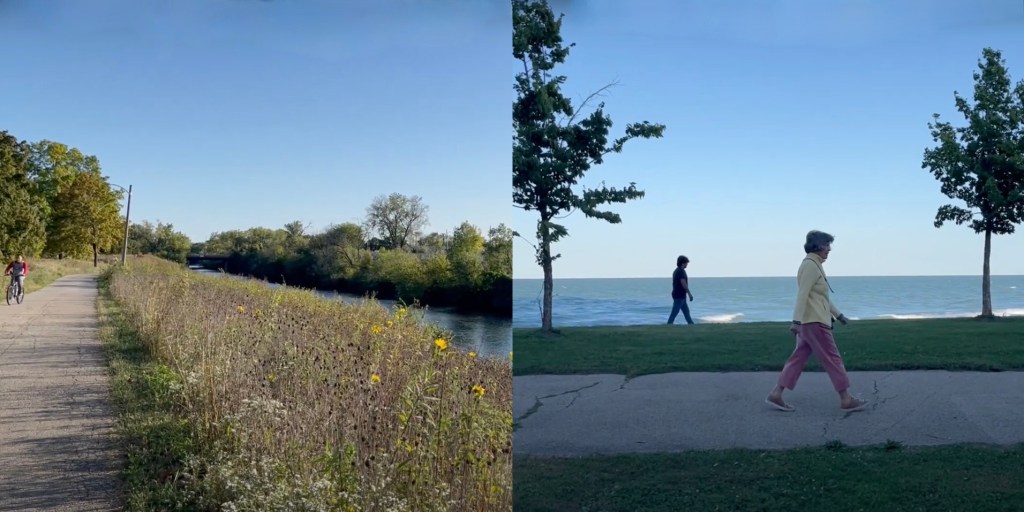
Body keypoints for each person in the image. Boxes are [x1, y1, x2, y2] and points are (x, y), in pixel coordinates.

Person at [765, 231, 867, 413]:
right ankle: (846, 399)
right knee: (833, 359)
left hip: (810, 322)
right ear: (818, 246)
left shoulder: (814, 264)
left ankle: (776, 394)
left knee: (798, 359)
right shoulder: (810, 266)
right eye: (827, 245)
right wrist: (795, 321)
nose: (829, 249)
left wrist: (839, 315)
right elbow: (802, 295)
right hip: (814, 322)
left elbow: (820, 297)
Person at [667, 255, 694, 325]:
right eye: (686, 263)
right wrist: (690, 294)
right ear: (683, 263)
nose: (687, 264)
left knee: (686, 311)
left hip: (679, 294)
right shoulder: (681, 271)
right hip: (679, 295)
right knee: (675, 312)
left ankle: (691, 324)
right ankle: (669, 324)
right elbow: (683, 284)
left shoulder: (676, 271)